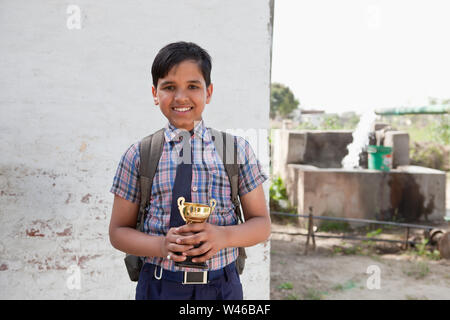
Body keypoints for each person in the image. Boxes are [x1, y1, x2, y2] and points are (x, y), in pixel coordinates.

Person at [108, 41, 270, 300]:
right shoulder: (139, 155)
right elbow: (118, 232)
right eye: (169, 87)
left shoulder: (235, 151)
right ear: (154, 93)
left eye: (193, 86)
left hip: (222, 287)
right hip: (159, 286)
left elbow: (262, 225)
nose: (181, 97)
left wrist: (223, 236)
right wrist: (161, 245)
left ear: (209, 92)